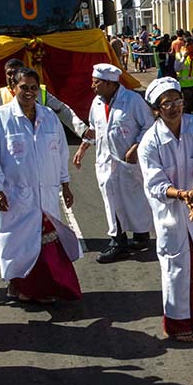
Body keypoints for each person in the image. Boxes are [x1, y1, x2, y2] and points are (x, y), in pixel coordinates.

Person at [0, 65, 82, 303]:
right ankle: (19, 286)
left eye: (33, 88)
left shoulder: (49, 117)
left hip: (46, 194)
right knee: (17, 244)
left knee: (45, 244)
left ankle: (42, 289)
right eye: (24, 87)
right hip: (15, 196)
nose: (29, 93)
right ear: (12, 87)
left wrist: (65, 184)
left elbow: (60, 154)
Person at [137, 77, 193, 342]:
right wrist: (182, 194)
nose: (175, 107)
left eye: (178, 101)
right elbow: (155, 183)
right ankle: (177, 324)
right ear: (156, 109)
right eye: (167, 103)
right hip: (171, 214)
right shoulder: (150, 142)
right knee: (176, 266)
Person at [75, 63, 156, 263]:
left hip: (129, 162)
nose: (92, 86)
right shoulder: (97, 103)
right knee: (112, 201)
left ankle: (140, 236)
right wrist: (83, 147)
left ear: (110, 84)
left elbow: (149, 126)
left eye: (96, 82)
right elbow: (94, 129)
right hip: (106, 162)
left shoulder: (133, 100)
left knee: (135, 200)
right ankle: (118, 242)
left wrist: (135, 147)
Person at [176, 38, 193, 115]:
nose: (189, 47)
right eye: (187, 45)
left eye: (191, 44)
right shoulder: (179, 55)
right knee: (186, 110)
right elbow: (177, 68)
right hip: (185, 87)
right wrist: (183, 58)